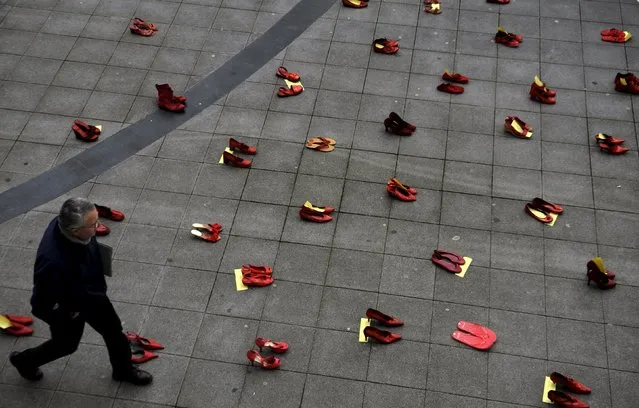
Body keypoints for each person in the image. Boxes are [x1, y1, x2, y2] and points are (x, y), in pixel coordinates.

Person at [9, 198, 152, 385]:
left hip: (92, 294)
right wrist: (68, 312)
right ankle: (24, 361)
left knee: (114, 332)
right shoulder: (54, 262)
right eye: (93, 224)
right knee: (65, 345)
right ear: (75, 231)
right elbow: (42, 299)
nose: (98, 227)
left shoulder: (67, 226)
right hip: (70, 307)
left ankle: (123, 371)